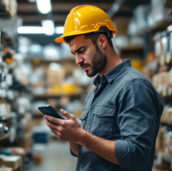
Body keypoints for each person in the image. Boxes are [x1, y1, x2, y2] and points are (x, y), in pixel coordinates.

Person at [43, 4, 164, 171]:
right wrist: (71, 136)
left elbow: (137, 156)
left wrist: (82, 136)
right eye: (74, 54)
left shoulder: (134, 87)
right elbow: (83, 152)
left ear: (102, 41)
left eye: (82, 50)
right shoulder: (95, 91)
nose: (78, 60)